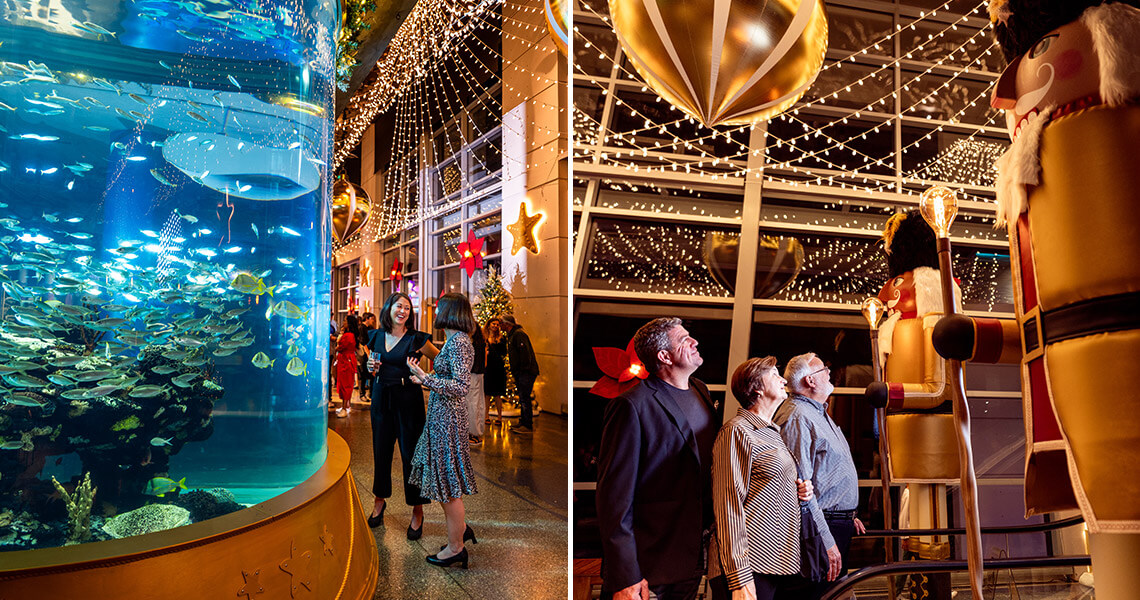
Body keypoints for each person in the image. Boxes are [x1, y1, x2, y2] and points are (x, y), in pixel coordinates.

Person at [596, 317, 723, 600]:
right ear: (664, 356)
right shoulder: (631, 406)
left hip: (694, 560)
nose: (695, 342)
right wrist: (625, 576)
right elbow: (614, 498)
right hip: (649, 567)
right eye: (684, 340)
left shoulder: (701, 391)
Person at [708, 357, 817, 600]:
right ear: (756, 387)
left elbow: (766, 486)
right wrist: (739, 580)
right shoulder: (737, 431)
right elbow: (728, 507)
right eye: (775, 374)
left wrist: (798, 489)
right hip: (748, 568)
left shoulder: (772, 433)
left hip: (776, 564)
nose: (783, 380)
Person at [775, 353, 865, 598]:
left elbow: (825, 472)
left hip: (835, 521)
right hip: (819, 526)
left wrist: (846, 512)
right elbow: (799, 486)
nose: (828, 372)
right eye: (823, 368)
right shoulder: (796, 416)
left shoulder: (817, 412)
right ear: (810, 381)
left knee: (836, 593)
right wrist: (825, 536)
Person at [407, 293, 480, 568]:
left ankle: (456, 547)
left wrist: (427, 379)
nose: (436, 310)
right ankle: (459, 532)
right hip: (442, 417)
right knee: (443, 481)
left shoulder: (459, 341)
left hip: (448, 420)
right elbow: (450, 378)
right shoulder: (456, 340)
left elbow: (461, 387)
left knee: (448, 486)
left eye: (440, 307)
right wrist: (426, 379)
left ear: (449, 311)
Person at [364, 293, 439, 537]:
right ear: (389, 308)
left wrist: (427, 378)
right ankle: (379, 501)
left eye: (407, 308)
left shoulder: (417, 338)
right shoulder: (375, 336)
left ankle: (417, 511)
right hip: (381, 399)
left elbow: (440, 360)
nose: (403, 311)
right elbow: (367, 362)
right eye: (399, 306)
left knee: (411, 457)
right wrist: (367, 367)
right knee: (381, 452)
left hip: (409, 402)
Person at [502, 314, 540, 433]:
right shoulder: (512, 335)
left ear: (507, 324)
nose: (500, 325)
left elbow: (525, 353)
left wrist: (522, 370)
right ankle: (523, 421)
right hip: (522, 372)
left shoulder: (518, 334)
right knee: (523, 398)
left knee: (524, 398)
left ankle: (527, 425)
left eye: (501, 323)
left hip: (526, 372)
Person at [334, 315, 359, 418]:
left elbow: (340, 347)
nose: (343, 322)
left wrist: (337, 347)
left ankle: (344, 407)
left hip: (345, 361)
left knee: (345, 384)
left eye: (345, 320)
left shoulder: (348, 335)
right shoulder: (352, 335)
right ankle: (346, 405)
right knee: (347, 383)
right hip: (348, 360)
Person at [483, 318, 508, 422]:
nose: (495, 326)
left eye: (497, 324)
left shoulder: (501, 338)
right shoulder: (484, 337)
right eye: (494, 324)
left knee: (498, 394)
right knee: (487, 394)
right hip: (488, 368)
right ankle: (486, 416)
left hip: (498, 368)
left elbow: (504, 352)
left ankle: (499, 417)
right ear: (489, 324)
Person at [467, 322, 487, 445]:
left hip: (472, 375)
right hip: (480, 375)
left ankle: (471, 433)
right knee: (479, 404)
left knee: (471, 404)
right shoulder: (482, 343)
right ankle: (477, 432)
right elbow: (485, 362)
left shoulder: (470, 344)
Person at [357, 312, 376, 400]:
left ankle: (370, 394)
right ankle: (362, 394)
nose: (373, 321)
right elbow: (363, 342)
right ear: (367, 318)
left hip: (369, 353)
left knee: (371, 373)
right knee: (362, 374)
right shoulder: (362, 328)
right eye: (372, 319)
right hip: (363, 354)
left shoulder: (370, 329)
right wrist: (368, 354)